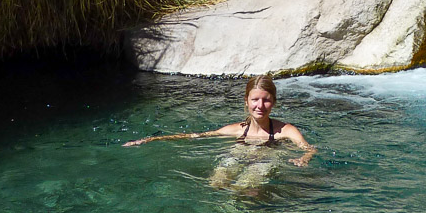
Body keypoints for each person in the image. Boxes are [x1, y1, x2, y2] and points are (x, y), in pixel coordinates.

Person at [123, 75, 317, 171]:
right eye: (255, 100)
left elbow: (309, 148)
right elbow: (196, 136)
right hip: (238, 156)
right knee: (217, 183)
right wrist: (151, 140)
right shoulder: (235, 130)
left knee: (248, 186)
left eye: (266, 100)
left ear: (273, 102)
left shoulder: (286, 130)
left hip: (265, 162)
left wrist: (304, 158)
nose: (260, 105)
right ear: (246, 102)